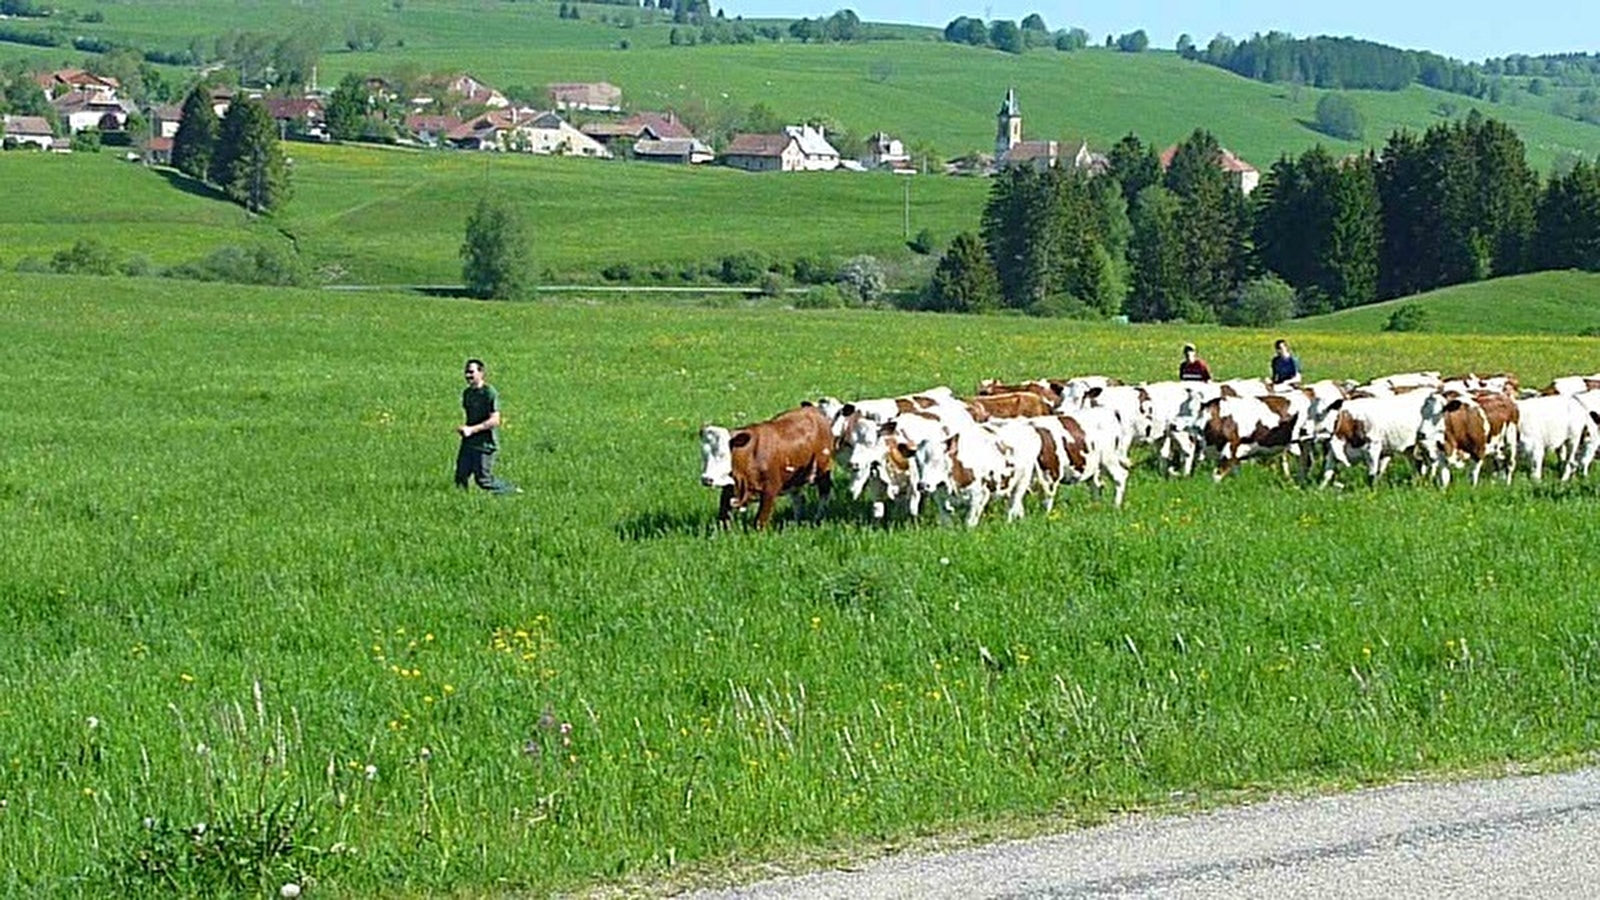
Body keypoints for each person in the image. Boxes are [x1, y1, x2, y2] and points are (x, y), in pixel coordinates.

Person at [455, 358, 521, 495]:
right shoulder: (467, 393)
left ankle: (513, 491)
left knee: (484, 481)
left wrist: (471, 429)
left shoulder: (489, 393)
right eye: (466, 372)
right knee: (460, 478)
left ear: (481, 373)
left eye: (471, 372)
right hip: (468, 442)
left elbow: (495, 420)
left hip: (485, 444)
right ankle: (461, 503)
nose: (468, 375)